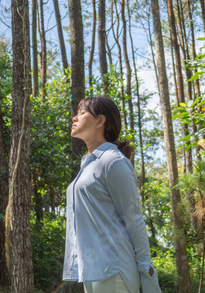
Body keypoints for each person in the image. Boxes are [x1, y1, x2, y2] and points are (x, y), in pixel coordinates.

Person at [63, 96, 161, 293]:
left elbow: (134, 219)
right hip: (92, 270)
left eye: (82, 113)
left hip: (114, 270)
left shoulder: (113, 161)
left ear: (100, 121)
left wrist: (145, 270)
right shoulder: (88, 163)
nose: (74, 118)